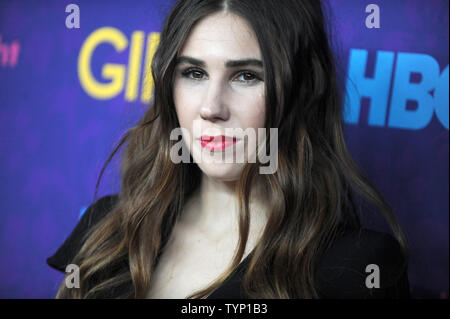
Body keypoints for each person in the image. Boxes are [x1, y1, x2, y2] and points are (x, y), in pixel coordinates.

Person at [47, 0, 411, 299]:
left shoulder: (355, 268)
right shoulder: (106, 231)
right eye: (194, 73)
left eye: (246, 75)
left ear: (301, 92)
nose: (211, 107)